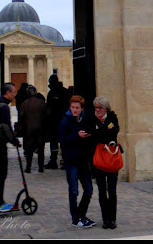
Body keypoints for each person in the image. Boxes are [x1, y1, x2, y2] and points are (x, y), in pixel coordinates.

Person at [58, 95, 96, 228]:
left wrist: (89, 136)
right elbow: (62, 140)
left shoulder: (85, 119)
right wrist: (76, 136)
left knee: (89, 190)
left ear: (82, 108)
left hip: (83, 160)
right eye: (73, 107)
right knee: (74, 190)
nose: (74, 110)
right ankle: (75, 219)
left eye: (77, 108)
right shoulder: (65, 121)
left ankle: (81, 214)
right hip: (71, 160)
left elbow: (91, 133)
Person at [0, 82, 21, 212]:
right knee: (1, 173)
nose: (15, 95)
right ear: (7, 93)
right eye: (13, 92)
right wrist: (14, 140)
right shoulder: (3, 107)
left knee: (0, 173)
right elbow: (5, 126)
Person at [92, 96, 120, 229]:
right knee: (102, 191)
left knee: (112, 191)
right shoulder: (92, 119)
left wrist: (101, 130)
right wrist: (104, 130)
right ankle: (105, 219)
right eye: (96, 108)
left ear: (106, 108)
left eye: (100, 108)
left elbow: (115, 131)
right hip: (99, 159)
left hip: (111, 157)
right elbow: (93, 135)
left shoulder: (112, 117)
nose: (98, 110)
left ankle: (112, 219)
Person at [18, 85, 46, 173]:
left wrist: (20, 128)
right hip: (40, 128)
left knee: (29, 149)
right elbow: (47, 115)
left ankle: (28, 167)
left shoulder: (25, 104)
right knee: (41, 149)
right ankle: (41, 167)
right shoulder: (41, 103)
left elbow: (21, 117)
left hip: (29, 129)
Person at [45, 74, 70, 168]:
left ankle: (62, 161)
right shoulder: (53, 92)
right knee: (56, 142)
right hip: (56, 121)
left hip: (59, 121)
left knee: (61, 142)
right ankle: (55, 161)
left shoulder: (60, 92)